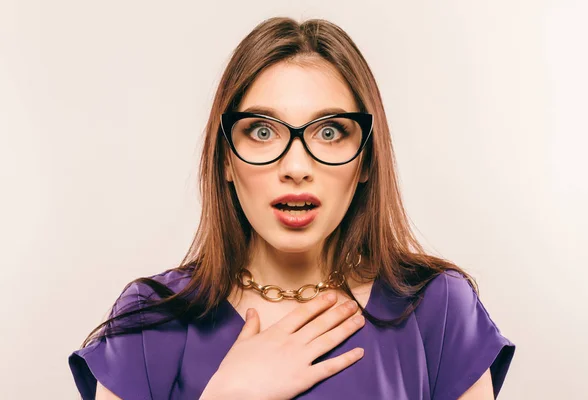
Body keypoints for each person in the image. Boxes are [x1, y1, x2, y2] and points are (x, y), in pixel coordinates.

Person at [68, 16, 515, 400]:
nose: (296, 166)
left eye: (330, 131)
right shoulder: (152, 321)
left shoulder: (437, 310)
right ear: (225, 156)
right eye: (262, 131)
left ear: (365, 160)